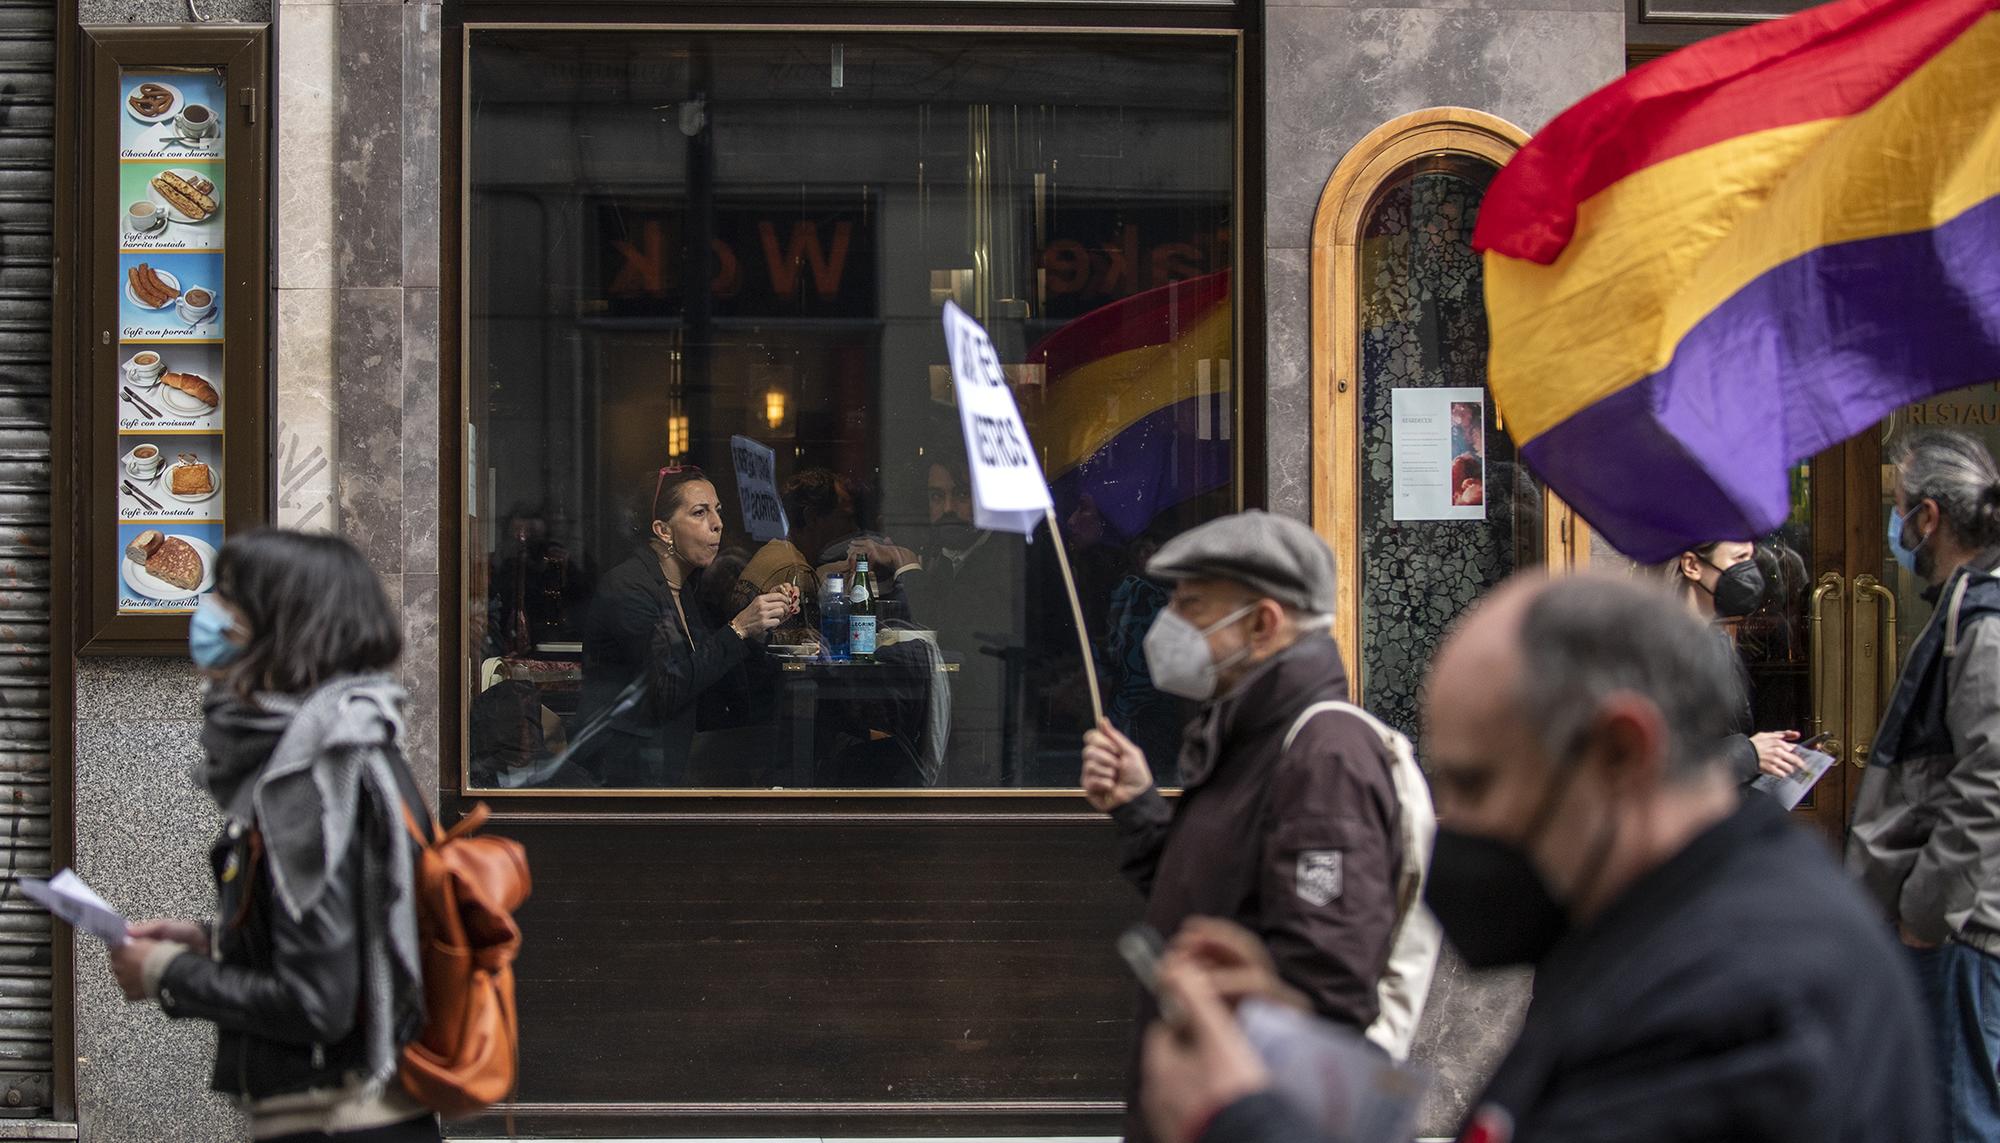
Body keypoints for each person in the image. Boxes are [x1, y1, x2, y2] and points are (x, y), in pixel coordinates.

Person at [1142, 573, 1936, 1143]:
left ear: (1621, 753)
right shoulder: (1645, 929)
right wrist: (1294, 1046)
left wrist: (1240, 1119)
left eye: (1478, 783)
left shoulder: (1739, 1003)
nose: (1452, 822)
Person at [1077, 510, 1410, 1143]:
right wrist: (1140, 805)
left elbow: (1327, 992)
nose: (1168, 625)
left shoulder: (1324, 756)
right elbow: (1208, 901)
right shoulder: (1244, 735)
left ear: (1262, 623)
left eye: (1193, 606)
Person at [103, 529, 439, 1142]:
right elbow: (335, 938)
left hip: (335, 1121)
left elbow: (317, 1002)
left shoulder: (312, 777)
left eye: (229, 597)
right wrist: (214, 941)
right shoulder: (346, 748)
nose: (209, 612)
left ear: (281, 624)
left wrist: (166, 972)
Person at [1849, 428, 2000, 1143]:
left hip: (1966, 932)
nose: (1895, 523)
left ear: (1929, 517)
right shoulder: (1964, 611)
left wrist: (1925, 911)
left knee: (1959, 1117)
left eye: (1899, 506)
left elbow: (1988, 787)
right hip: (1959, 925)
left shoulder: (1984, 622)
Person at [577, 466, 794, 786]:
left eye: (717, 511)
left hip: (671, 757)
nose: (718, 524)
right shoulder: (629, 588)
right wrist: (739, 627)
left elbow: (706, 669)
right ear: (663, 531)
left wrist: (760, 625)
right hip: (626, 772)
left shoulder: (684, 587)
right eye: (699, 512)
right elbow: (665, 689)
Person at [1667, 539, 1806, 785]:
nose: (1750, 571)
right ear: (1692, 566)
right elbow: (1665, 767)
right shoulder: (1658, 651)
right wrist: (1749, 753)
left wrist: (1767, 750)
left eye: (1751, 558)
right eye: (1739, 558)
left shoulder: (1717, 642)